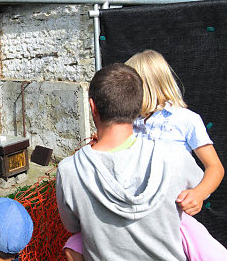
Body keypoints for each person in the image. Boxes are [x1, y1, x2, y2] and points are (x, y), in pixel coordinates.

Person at [56, 63, 206, 260]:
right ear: (138, 106)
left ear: (92, 107)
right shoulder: (175, 155)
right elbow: (200, 188)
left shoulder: (69, 171)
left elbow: (73, 226)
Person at [125, 49, 225, 260]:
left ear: (147, 86)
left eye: (130, 86)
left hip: (173, 216)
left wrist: (198, 194)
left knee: (212, 255)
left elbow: (215, 167)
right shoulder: (127, 122)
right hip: (133, 213)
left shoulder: (186, 120)